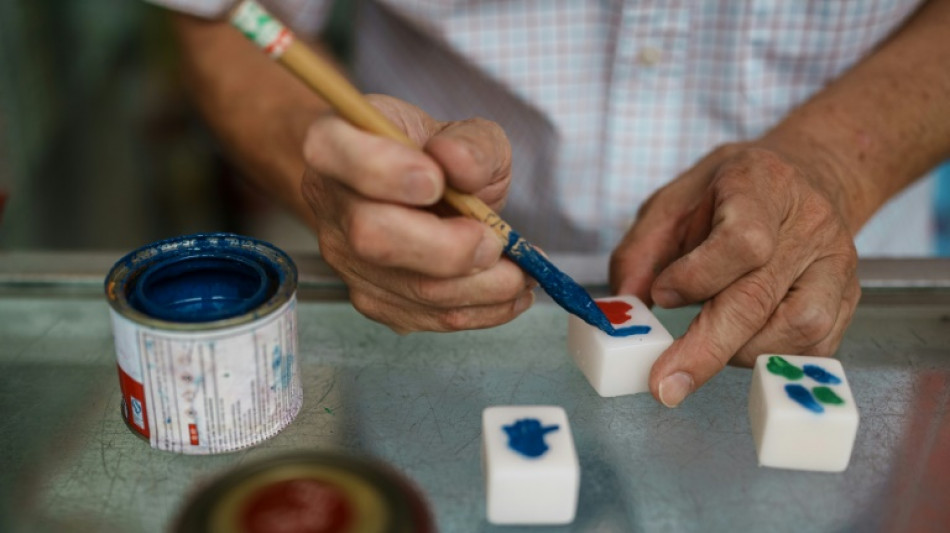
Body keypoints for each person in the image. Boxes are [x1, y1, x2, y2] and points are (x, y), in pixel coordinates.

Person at [153, 0, 950, 407]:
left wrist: (834, 162)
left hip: (823, 305)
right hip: (427, 342)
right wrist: (330, 165)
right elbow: (219, 20)